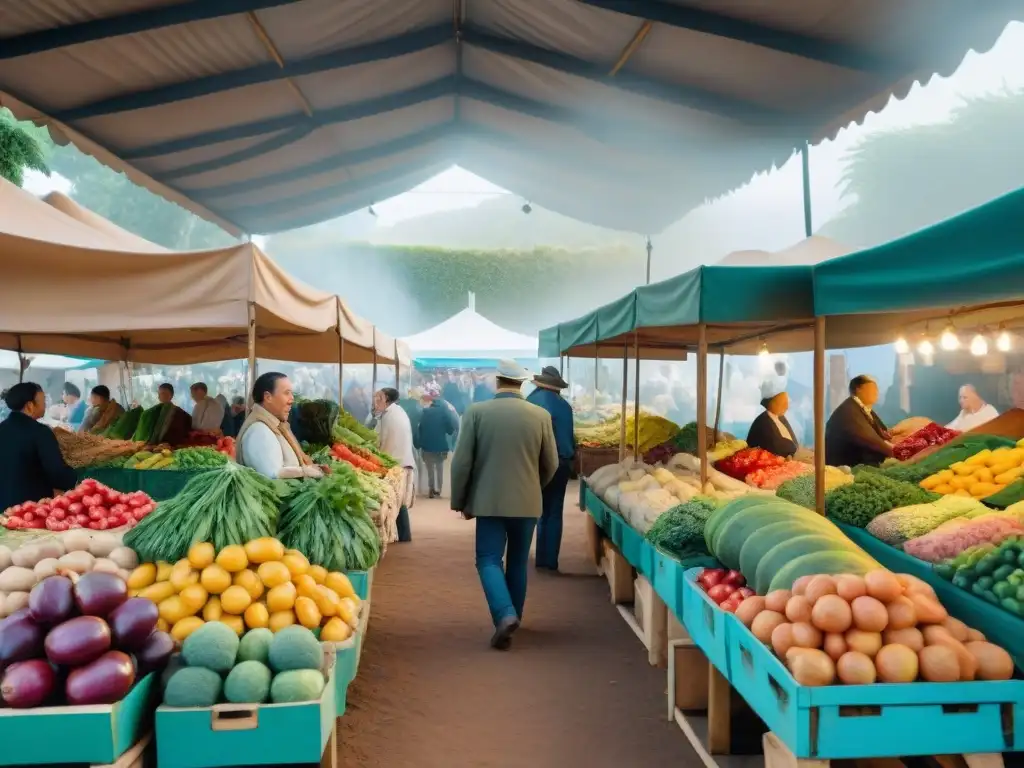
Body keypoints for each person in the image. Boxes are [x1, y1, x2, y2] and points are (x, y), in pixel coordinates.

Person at [450, 359, 558, 650]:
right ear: (521, 383)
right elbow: (551, 463)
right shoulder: (540, 415)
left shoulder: (476, 413)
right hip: (527, 503)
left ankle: (504, 614)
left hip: (489, 502)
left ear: (498, 381)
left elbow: (462, 463)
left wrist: (461, 499)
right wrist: (534, 488)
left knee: (487, 560)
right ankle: (514, 618)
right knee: (518, 562)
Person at [526, 366, 575, 573]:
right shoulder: (565, 406)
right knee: (554, 511)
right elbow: (570, 438)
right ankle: (550, 561)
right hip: (562, 462)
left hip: (536, 462)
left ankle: (537, 558)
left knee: (536, 510)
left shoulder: (530, 403)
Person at [0, 382, 78, 512]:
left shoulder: (1, 428)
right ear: (30, 406)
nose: (45, 405)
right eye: (43, 401)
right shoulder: (40, 432)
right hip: (30, 509)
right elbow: (57, 471)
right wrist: (74, 478)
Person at [236, 372, 323, 480]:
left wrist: (312, 469)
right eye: (286, 393)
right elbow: (272, 476)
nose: (291, 399)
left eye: (291, 393)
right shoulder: (259, 431)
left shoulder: (274, 425)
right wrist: (305, 471)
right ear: (268, 397)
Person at [374, 387, 417, 541]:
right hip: (402, 462)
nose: (375, 400)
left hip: (397, 464)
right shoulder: (396, 412)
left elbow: (381, 441)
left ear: (385, 398)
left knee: (394, 502)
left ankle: (398, 536)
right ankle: (405, 535)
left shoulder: (389, 416)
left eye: (378, 397)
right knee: (400, 502)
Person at [825, 375, 893, 467]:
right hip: (847, 467)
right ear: (858, 390)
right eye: (872, 389)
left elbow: (882, 432)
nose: (876, 392)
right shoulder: (848, 411)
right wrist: (898, 453)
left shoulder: (863, 409)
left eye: (876, 389)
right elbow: (871, 439)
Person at [418, 383, 458, 499]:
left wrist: (420, 442)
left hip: (427, 446)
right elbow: (450, 428)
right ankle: (439, 490)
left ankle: (431, 488)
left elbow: (420, 428)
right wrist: (449, 432)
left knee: (430, 468)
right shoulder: (445, 412)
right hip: (441, 446)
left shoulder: (425, 413)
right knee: (439, 467)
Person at [746, 380, 799, 458]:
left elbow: (794, 442)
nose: (786, 407)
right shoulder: (763, 422)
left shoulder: (781, 418)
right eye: (783, 403)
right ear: (772, 402)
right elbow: (776, 446)